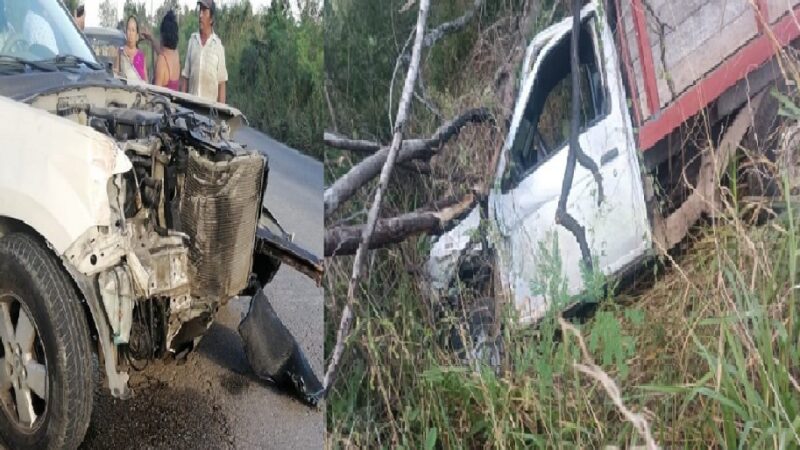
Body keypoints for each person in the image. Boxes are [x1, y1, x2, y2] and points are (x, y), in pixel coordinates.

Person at [181, 0, 227, 103]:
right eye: (200, 11)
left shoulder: (218, 46)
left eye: (204, 11)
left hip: (209, 113)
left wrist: (220, 115)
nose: (200, 15)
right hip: (191, 108)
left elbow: (222, 83)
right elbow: (185, 77)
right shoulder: (192, 41)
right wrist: (181, 106)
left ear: (211, 19)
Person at [142, 10, 180, 90]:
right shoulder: (176, 55)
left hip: (162, 102)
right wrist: (151, 38)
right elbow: (162, 51)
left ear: (162, 35)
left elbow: (156, 95)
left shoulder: (162, 61)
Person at [118, 15, 147, 83]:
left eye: (133, 30)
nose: (130, 33)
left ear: (137, 36)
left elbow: (145, 81)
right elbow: (117, 75)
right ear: (126, 32)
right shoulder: (121, 52)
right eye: (128, 29)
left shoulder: (141, 56)